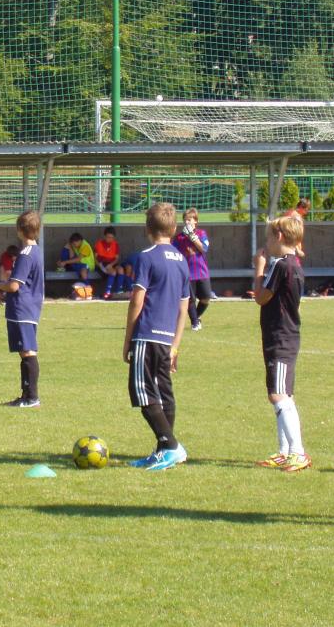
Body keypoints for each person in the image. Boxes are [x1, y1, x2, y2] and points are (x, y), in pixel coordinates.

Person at [123, 202, 191, 471]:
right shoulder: (182, 260)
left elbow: (136, 301)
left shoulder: (146, 257)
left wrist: (128, 340)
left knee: (142, 392)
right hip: (166, 339)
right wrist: (175, 345)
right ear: (174, 229)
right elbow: (184, 307)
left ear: (147, 228)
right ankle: (163, 451)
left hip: (147, 334)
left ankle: (171, 446)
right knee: (163, 393)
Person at [253, 214, 310, 472]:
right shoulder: (294, 264)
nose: (266, 243)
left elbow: (260, 297)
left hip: (281, 337)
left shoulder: (281, 266)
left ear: (278, 236)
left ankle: (298, 452)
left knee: (278, 395)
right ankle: (284, 451)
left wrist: (259, 268)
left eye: (268, 237)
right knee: (280, 392)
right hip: (283, 335)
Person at [0, 211, 44, 408]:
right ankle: (26, 395)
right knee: (25, 351)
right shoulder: (37, 251)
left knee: (27, 351)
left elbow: (14, 285)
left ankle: (32, 397)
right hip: (30, 308)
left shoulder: (25, 255)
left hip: (22, 309)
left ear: (20, 230)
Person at [173, 207, 211, 331]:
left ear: (196, 221)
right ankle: (195, 323)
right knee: (190, 299)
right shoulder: (179, 238)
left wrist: (193, 237)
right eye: (185, 220)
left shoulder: (201, 234)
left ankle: (196, 317)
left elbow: (204, 248)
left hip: (201, 271)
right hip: (187, 272)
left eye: (190, 219)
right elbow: (174, 252)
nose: (187, 222)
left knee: (206, 297)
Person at [94, 226, 128, 298]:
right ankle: (107, 292)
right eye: (108, 237)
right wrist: (99, 265)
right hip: (102, 263)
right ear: (104, 236)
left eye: (112, 237)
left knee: (121, 269)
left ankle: (119, 291)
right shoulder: (99, 244)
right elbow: (95, 258)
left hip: (112, 263)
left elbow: (117, 258)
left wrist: (111, 264)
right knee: (113, 272)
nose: (110, 239)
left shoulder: (115, 244)